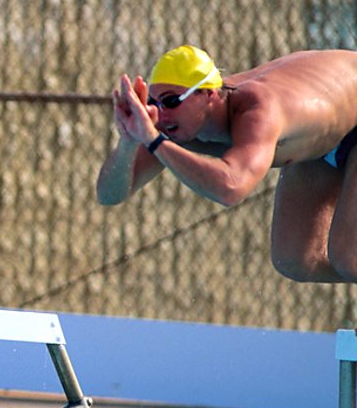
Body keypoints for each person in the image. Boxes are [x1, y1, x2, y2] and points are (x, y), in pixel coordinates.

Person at [98, 44, 357, 282]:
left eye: (170, 101)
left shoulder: (258, 111)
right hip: (323, 138)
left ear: (208, 94)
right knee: (295, 260)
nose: (161, 113)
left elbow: (231, 187)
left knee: (348, 256)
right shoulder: (174, 124)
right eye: (154, 103)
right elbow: (110, 194)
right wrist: (128, 143)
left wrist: (154, 141)